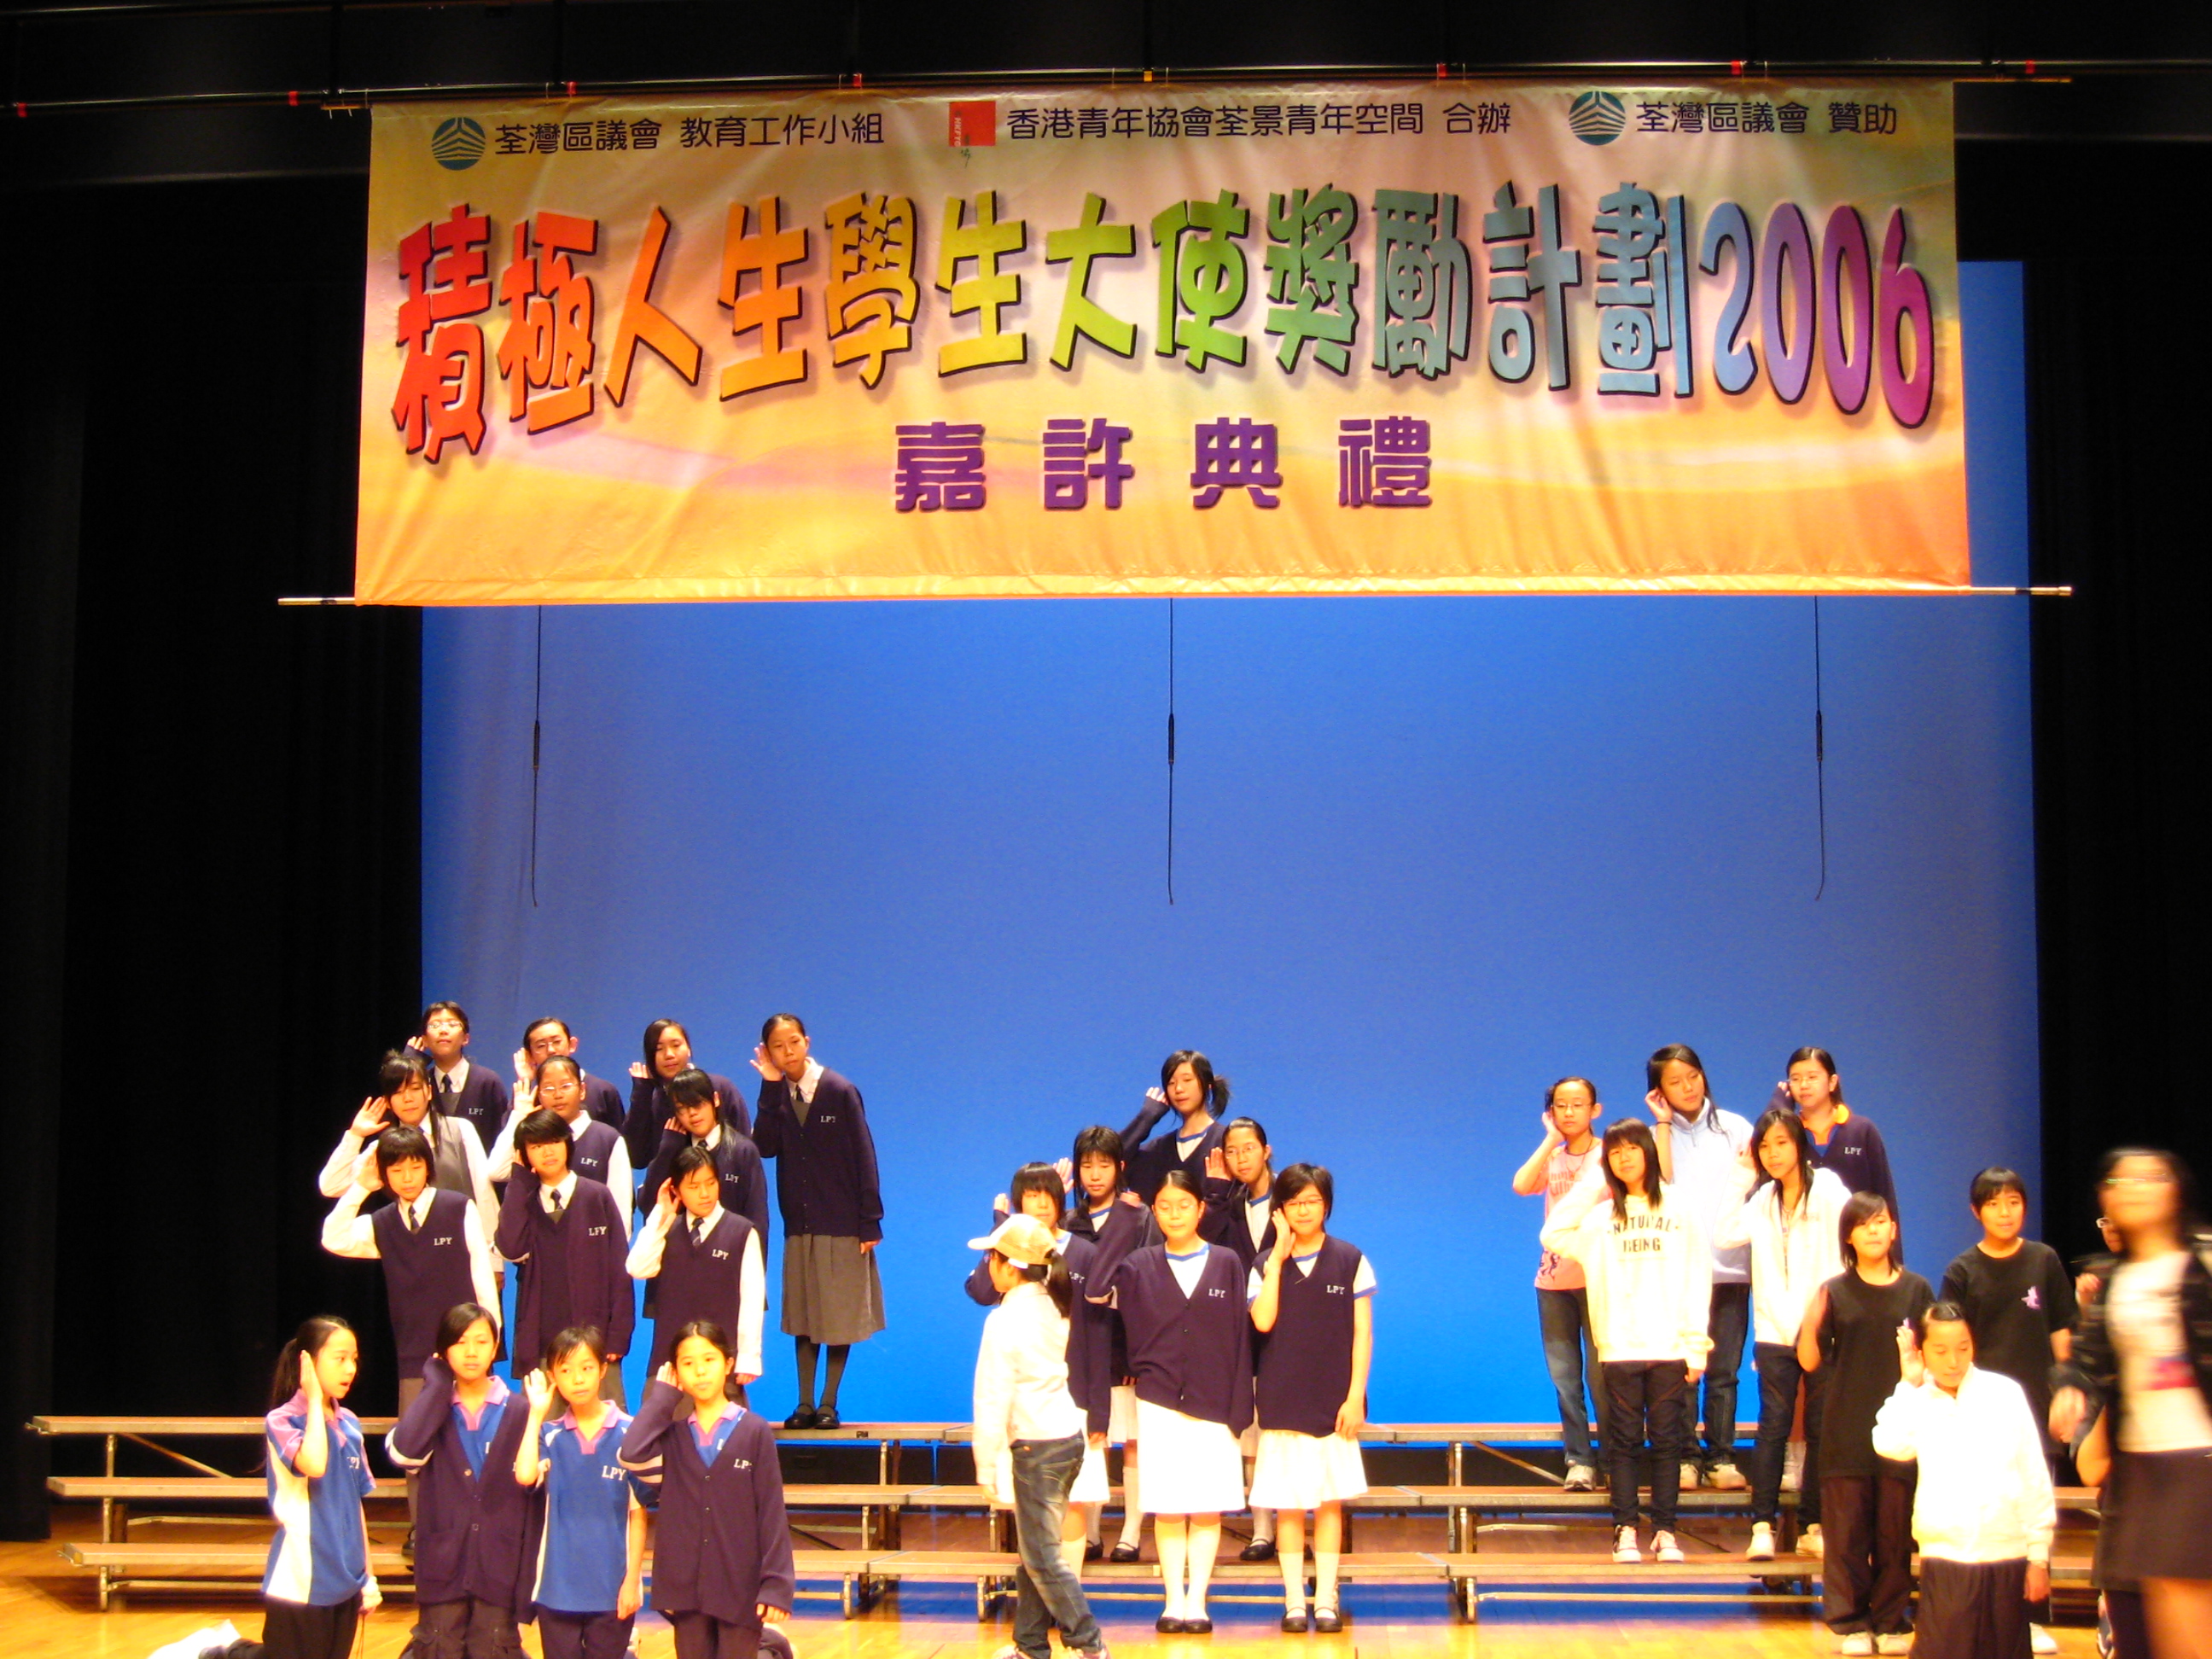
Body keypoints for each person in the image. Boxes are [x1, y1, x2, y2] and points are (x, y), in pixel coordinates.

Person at [2051, 1148, 2212, 1659]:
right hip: (2138, 1470)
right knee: (2141, 1621)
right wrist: (2071, 1389)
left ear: (2176, 1191)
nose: (2134, 1189)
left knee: (2186, 1622)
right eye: (2120, 1181)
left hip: (2196, 1460)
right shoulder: (2115, 1280)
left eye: (2150, 1178)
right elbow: (2085, 1358)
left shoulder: (2201, 1266)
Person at [1541, 1119, 1712, 1565]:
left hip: (1669, 1346)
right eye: (1613, 1152)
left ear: (1648, 1152)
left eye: (1632, 1148)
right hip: (1619, 1346)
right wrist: (1593, 1181)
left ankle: (1666, 1531)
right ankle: (1626, 1530)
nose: (1624, 1158)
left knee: (1668, 1442)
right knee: (1623, 1442)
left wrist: (1696, 1346)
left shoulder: (1680, 1208)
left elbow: (1698, 1277)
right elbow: (1552, 1233)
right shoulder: (1600, 1219)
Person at [1100, 1168, 1253, 1633]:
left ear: (1201, 1208)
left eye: (1184, 1205)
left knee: (1206, 1505)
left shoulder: (1227, 1261)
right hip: (1159, 1399)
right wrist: (1123, 1220)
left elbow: (1240, 1336)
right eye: (1164, 1206)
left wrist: (1239, 1405)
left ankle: (1198, 1602)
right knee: (1167, 1505)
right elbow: (1097, 1289)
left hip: (1215, 1399)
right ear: (1154, 1211)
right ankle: (1173, 1601)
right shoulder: (1138, 1264)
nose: (1174, 1214)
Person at [1941, 1167, 2078, 1654]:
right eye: (1994, 1203)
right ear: (1977, 1211)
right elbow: (1951, 1343)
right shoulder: (1962, 1271)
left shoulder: (2043, 1260)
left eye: (2014, 1202)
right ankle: (1982, 1612)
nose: (2005, 1212)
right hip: (1980, 1410)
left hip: (2035, 1408)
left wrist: (2067, 1390)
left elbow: (2061, 1332)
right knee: (1985, 1513)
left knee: (2033, 1511)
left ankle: (2033, 1617)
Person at [1872, 1303, 2054, 1659]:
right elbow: (1888, 1443)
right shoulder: (1916, 1400)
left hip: (2007, 1553)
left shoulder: (2004, 1394)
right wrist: (1908, 1383)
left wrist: (2039, 1557)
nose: (1953, 1361)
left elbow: (2032, 1473)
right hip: (1946, 1556)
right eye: (1940, 1351)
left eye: (1963, 1347)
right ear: (1922, 1351)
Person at [969, 1214, 1111, 1659]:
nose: (988, 1266)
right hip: (1067, 1436)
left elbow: (993, 1395)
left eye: (992, 1258)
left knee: (1043, 1557)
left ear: (1009, 1266)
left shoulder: (1005, 1319)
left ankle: (1088, 1644)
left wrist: (984, 1463)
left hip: (1038, 1444)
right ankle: (1030, 1645)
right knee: (1037, 1550)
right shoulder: (1054, 1303)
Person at [1714, 1106, 1849, 1562]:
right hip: (1773, 1331)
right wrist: (1741, 1175)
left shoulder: (1827, 1189)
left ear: (1798, 1145)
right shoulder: (1761, 1201)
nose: (1773, 1154)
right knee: (1773, 1427)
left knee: (1821, 1429)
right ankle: (1761, 1526)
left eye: (1781, 1143)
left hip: (1822, 1330)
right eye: (1765, 1146)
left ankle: (1814, 1525)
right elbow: (1723, 1234)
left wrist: (1828, 1312)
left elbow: (1850, 1239)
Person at [1800, 1191, 1931, 1655]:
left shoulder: (1917, 1290)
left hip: (1901, 1425)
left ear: (1894, 1229)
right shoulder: (1834, 1291)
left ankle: (1891, 1621)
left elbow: (1932, 1357)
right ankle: (1849, 1622)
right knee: (1848, 1534)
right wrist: (1811, 1315)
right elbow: (1809, 1359)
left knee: (1895, 1533)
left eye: (1881, 1221)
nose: (1873, 1230)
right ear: (1849, 1237)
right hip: (1846, 1425)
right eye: (1863, 1224)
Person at [619, 1320, 795, 1659]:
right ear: (676, 1373)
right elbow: (631, 1452)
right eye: (688, 1363)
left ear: (728, 1364)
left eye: (709, 1360)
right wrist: (663, 1398)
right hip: (686, 1586)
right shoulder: (673, 1436)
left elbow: (771, 1512)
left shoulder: (754, 1430)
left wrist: (776, 1585)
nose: (700, 1371)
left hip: (740, 1583)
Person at [1248, 1164, 1374, 1634]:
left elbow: (1362, 1333)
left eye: (1312, 1201)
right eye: (1294, 1202)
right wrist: (1277, 1259)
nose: (1304, 1210)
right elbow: (1262, 1321)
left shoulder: (1350, 1258)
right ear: (1280, 1209)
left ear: (1326, 1205)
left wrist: (1355, 1396)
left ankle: (1326, 1598)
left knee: (1328, 1504)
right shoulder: (1263, 1265)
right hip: (1281, 1399)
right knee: (1288, 1506)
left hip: (1334, 1403)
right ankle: (1293, 1600)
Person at [750, 1012, 883, 1429]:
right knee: (804, 1317)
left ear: (806, 1042)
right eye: (778, 1046)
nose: (787, 1052)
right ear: (767, 1052)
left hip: (842, 1223)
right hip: (799, 1225)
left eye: (793, 1042)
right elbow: (764, 1146)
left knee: (838, 1315)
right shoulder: (777, 1095)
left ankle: (828, 1403)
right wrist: (769, 1087)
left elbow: (865, 1155)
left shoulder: (839, 1090)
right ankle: (804, 1403)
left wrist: (870, 1220)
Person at [386, 1303, 535, 1659]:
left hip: (499, 1563)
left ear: (495, 1347)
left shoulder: (518, 1409)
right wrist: (437, 1385)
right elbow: (404, 1454)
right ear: (443, 1350)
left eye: (481, 1342)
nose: (471, 1352)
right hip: (443, 1562)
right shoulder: (433, 1407)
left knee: (494, 1647)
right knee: (438, 1645)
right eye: (460, 1341)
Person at [318, 1125, 501, 1411]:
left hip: (467, 1350)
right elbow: (333, 1238)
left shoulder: (458, 1207)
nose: (407, 1178)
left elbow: (482, 1277)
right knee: (417, 1434)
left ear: (428, 1167)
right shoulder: (382, 1222)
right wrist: (361, 1188)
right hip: (414, 1354)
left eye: (415, 1168)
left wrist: (491, 1339)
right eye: (396, 1170)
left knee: (472, 1431)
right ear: (384, 1174)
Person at [1644, 1043, 1752, 1491]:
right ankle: (1685, 1457)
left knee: (1724, 1372)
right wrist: (1662, 1124)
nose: (1687, 1087)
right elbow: (1659, 1187)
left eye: (1693, 1076)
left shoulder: (1736, 1128)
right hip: (1678, 1276)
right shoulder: (1654, 1136)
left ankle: (1721, 1457)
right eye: (1675, 1081)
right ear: (1659, 1091)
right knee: (1681, 1372)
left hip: (1731, 1270)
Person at [515, 1327, 648, 1659]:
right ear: (552, 1377)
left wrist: (632, 1581)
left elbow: (637, 1515)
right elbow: (525, 1475)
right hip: (557, 1591)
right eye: (565, 1370)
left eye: (586, 1367)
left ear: (602, 1369)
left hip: (612, 1590)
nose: (577, 1379)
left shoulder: (630, 1433)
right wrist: (535, 1414)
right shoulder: (549, 1434)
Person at [259, 1316, 381, 1659]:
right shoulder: (283, 1420)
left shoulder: (350, 1423)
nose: (350, 1369)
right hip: (299, 1582)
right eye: (339, 1358)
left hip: (346, 1581)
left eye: (354, 1359)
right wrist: (314, 1401)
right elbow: (314, 1464)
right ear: (308, 1363)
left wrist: (369, 1578)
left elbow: (355, 1508)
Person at [495, 1109, 634, 1403]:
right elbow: (510, 1248)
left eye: (553, 1142)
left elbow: (619, 1271)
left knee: (604, 1424)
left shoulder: (597, 1196)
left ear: (567, 1143)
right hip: (543, 1341)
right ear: (524, 1155)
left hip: (595, 1341)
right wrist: (519, 1181)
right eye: (536, 1146)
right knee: (543, 1425)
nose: (547, 1152)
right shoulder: (524, 1201)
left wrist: (618, 1335)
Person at [1509, 1075, 1607, 1492]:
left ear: (1595, 1110)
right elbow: (1521, 1184)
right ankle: (1580, 1460)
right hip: (1553, 1282)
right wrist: (1551, 1139)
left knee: (1604, 1378)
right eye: (1561, 1105)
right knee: (1566, 1378)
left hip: (1600, 1280)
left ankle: (1616, 1459)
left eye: (1578, 1104)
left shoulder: (1609, 1155)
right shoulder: (1554, 1157)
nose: (1569, 1112)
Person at [1064, 1125, 1155, 1562]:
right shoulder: (1068, 1223)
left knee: (1132, 1441)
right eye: (1087, 1166)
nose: (1095, 1174)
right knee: (1091, 1438)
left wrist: (1138, 1355)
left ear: (1120, 1167)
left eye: (1104, 1165)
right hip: (1082, 1350)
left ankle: (1132, 1531)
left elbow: (1150, 1283)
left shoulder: (1140, 1217)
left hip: (1126, 1347)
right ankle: (1091, 1532)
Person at [1201, 1117, 1280, 1562]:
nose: (1240, 1158)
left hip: (1285, 1328)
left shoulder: (1291, 1198)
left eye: (1248, 1148)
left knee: (1280, 1428)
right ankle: (1262, 1528)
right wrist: (1214, 1194)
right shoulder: (1227, 1205)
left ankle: (1288, 1522)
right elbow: (1203, 1244)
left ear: (1266, 1151)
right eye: (1231, 1151)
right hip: (1240, 1333)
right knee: (1251, 1431)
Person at [317, 1048, 498, 1237]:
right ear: (388, 1102)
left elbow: (483, 1192)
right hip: (411, 1246)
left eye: (415, 1089)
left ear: (428, 1091)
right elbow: (331, 1186)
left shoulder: (460, 1129)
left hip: (464, 1241)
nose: (408, 1099)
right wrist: (355, 1136)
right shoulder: (385, 1147)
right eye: (398, 1092)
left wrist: (492, 1249)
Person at [627, 1144, 766, 1378]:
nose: (704, 1193)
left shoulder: (742, 1232)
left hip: (720, 1363)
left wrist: (748, 1358)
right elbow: (637, 1268)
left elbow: (752, 1299)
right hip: (668, 1364)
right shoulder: (666, 1229)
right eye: (693, 1187)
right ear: (677, 1191)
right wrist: (660, 1217)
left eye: (710, 1183)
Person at [489, 1056, 635, 1234]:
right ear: (539, 1095)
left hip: (593, 1244)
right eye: (549, 1089)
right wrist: (519, 1117)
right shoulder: (532, 1139)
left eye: (565, 1086)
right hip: (541, 1243)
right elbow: (496, 1172)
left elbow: (620, 1207)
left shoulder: (607, 1138)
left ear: (582, 1090)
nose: (558, 1095)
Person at [637, 1068, 772, 1243]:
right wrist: (666, 1153)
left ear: (715, 1099)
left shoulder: (742, 1150)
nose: (692, 1113)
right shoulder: (674, 1149)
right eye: (682, 1108)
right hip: (682, 1253)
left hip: (732, 1251)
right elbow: (648, 1206)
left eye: (698, 1104)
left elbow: (757, 1216)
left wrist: (754, 1257)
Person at [1771, 1047, 1899, 1211]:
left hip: (1857, 1226)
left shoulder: (1862, 1130)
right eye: (1795, 1079)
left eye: (1812, 1077)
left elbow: (1884, 1192)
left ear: (1832, 1082)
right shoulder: (1788, 1136)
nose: (1803, 1085)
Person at [626, 1019, 750, 1168]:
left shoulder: (720, 1088)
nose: (669, 1054)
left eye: (676, 1045)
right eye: (659, 1049)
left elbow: (745, 1151)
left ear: (689, 1048)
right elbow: (636, 1159)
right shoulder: (650, 1100)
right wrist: (641, 1095)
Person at [1118, 1051, 1231, 1203]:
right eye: (1171, 1083)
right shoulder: (1156, 1151)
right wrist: (1145, 1119)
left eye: (1187, 1080)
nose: (1178, 1089)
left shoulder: (1227, 1141)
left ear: (1207, 1084)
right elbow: (1110, 1165)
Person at [419, 1001, 510, 1153]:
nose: (443, 1030)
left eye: (452, 1024)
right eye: (435, 1025)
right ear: (425, 1040)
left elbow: (502, 1138)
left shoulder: (488, 1082)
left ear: (466, 1038)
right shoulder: (420, 1085)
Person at [515, 1017, 626, 1131]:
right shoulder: (530, 1097)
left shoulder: (603, 1090)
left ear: (572, 1044)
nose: (551, 1050)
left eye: (557, 1042)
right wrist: (525, 1081)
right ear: (530, 1055)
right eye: (541, 1046)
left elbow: (619, 1136)